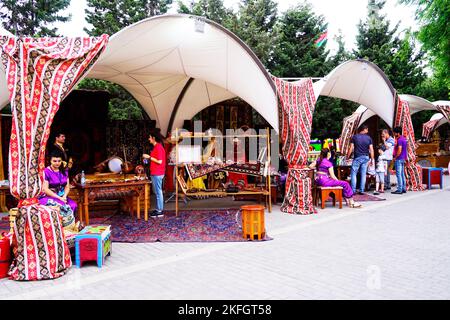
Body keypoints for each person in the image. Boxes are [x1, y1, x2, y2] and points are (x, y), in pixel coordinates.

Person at [39, 153, 78, 232]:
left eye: (59, 161)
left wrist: (64, 196)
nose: (57, 163)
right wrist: (59, 198)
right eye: (54, 161)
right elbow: (45, 189)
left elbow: (67, 186)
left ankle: (70, 228)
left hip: (62, 196)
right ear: (50, 161)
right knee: (63, 207)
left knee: (73, 205)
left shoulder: (65, 170)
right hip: (49, 196)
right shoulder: (46, 171)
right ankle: (59, 229)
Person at [143, 129, 166, 217]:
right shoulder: (156, 147)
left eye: (149, 137)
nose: (149, 139)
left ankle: (160, 211)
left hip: (158, 173)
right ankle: (158, 209)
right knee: (157, 191)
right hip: (155, 172)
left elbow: (160, 161)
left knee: (158, 191)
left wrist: (149, 157)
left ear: (153, 138)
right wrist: (147, 159)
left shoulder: (159, 147)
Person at [347, 124, 375, 195]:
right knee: (363, 174)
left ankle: (353, 190)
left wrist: (347, 156)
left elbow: (351, 148)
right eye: (367, 129)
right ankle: (362, 190)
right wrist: (372, 159)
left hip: (357, 157)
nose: (367, 131)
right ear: (364, 129)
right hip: (366, 157)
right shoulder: (369, 138)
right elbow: (371, 150)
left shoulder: (355, 137)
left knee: (353, 173)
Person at [392, 126, 408, 194]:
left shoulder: (400, 140)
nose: (394, 134)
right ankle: (403, 188)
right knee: (402, 174)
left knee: (398, 174)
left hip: (399, 158)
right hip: (403, 158)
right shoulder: (404, 139)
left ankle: (400, 189)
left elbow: (399, 150)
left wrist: (395, 157)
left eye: (395, 133)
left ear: (397, 133)